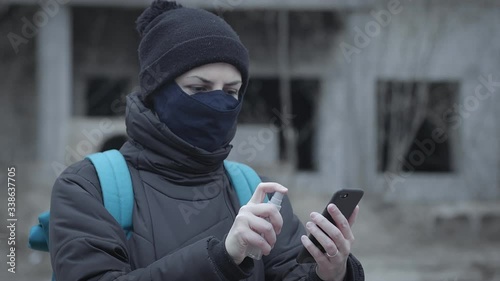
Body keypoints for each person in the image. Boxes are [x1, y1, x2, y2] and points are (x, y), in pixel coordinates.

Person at [48, 1, 364, 280]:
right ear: (157, 92)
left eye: (230, 91)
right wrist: (221, 259)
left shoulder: (254, 192)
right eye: (199, 88)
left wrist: (331, 273)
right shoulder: (88, 187)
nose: (218, 104)